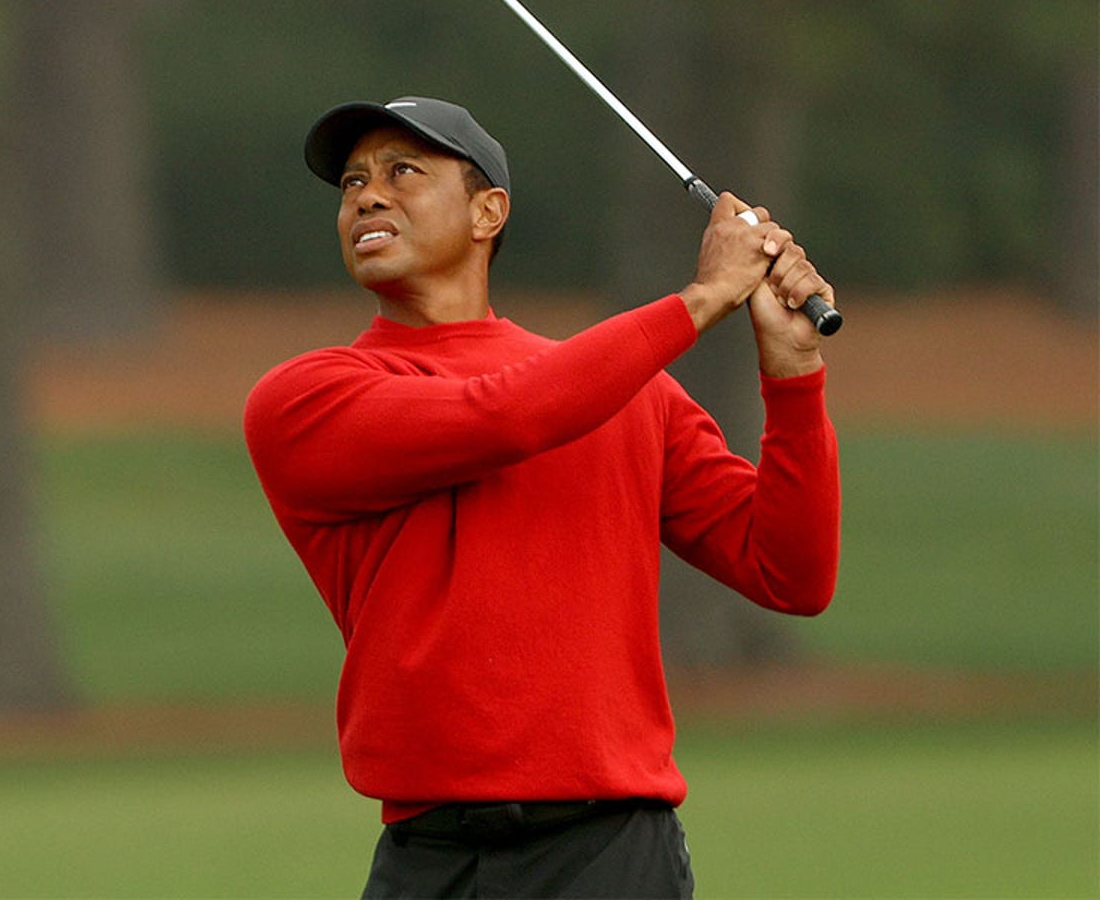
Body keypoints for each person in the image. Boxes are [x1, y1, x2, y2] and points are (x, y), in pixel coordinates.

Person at [241, 96, 841, 899]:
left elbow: (790, 573)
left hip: (612, 854)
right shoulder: (308, 398)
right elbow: (505, 416)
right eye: (352, 182)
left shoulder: (631, 392)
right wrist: (701, 300)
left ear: (489, 211)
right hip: (432, 858)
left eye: (402, 171)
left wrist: (795, 376)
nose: (367, 196)